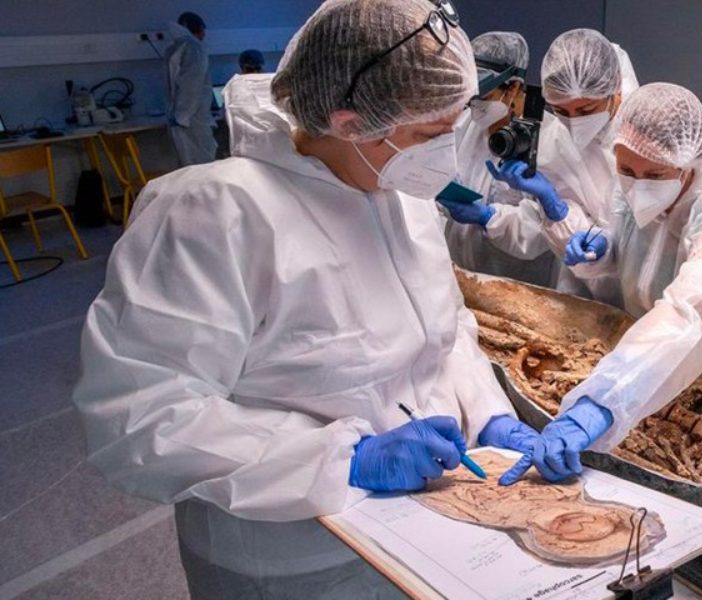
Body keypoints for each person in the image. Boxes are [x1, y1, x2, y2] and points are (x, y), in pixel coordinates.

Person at [75, 1, 546, 597]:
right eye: (431, 135)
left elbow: (446, 327)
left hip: (425, 526)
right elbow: (141, 418)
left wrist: (488, 411)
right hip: (288, 558)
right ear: (350, 122)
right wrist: (343, 459)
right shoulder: (214, 213)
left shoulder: (400, 192)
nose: (447, 156)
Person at [499, 83, 702, 485]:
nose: (637, 184)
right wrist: (602, 247)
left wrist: (602, 402)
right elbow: (629, 245)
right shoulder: (633, 174)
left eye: (655, 175)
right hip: (651, 356)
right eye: (626, 171)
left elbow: (691, 306)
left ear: (688, 165)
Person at [486, 28, 638, 297]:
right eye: (561, 111)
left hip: (654, 293)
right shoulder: (554, 142)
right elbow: (569, 243)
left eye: (586, 110)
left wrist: (616, 243)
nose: (573, 121)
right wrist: (555, 208)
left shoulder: (649, 128)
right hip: (588, 292)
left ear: (615, 90)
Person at [437, 31, 557, 287]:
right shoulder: (465, 125)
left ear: (513, 87)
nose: (474, 105)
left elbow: (543, 235)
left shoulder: (551, 141)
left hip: (519, 285)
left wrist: (488, 216)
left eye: (483, 96)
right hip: (462, 275)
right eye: (470, 97)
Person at [166, 11, 218, 166]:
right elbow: (192, 85)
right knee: (203, 160)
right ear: (200, 29)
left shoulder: (175, 47)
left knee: (187, 161)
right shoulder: (195, 48)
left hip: (181, 115)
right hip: (192, 117)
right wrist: (183, 115)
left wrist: (179, 115)